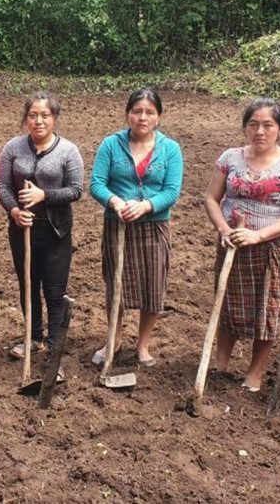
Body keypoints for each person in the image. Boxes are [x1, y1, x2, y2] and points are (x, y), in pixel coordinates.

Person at [204, 98, 280, 392]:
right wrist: (223, 229)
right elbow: (212, 199)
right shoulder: (230, 158)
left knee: (267, 310)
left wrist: (258, 236)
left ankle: (254, 372)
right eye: (253, 124)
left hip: (268, 250)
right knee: (226, 306)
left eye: (268, 125)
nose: (260, 131)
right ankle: (221, 365)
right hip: (232, 246)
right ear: (245, 127)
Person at [90, 89, 183, 368]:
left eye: (149, 112)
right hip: (117, 225)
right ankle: (113, 340)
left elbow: (172, 191)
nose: (142, 117)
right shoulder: (110, 144)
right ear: (128, 113)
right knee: (115, 285)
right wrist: (115, 202)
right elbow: (96, 184)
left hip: (153, 227)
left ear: (158, 117)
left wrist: (146, 206)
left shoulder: (170, 149)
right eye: (137, 111)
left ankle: (143, 345)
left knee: (153, 287)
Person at [0, 92, 84, 370]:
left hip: (56, 231)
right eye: (33, 115)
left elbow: (76, 190)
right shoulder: (13, 148)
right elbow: (2, 186)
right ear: (26, 119)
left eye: (45, 115)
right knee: (29, 286)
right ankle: (33, 338)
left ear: (54, 118)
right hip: (22, 229)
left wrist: (43, 196)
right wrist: (14, 211)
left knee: (55, 290)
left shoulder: (68, 151)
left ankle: (54, 341)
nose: (38, 121)